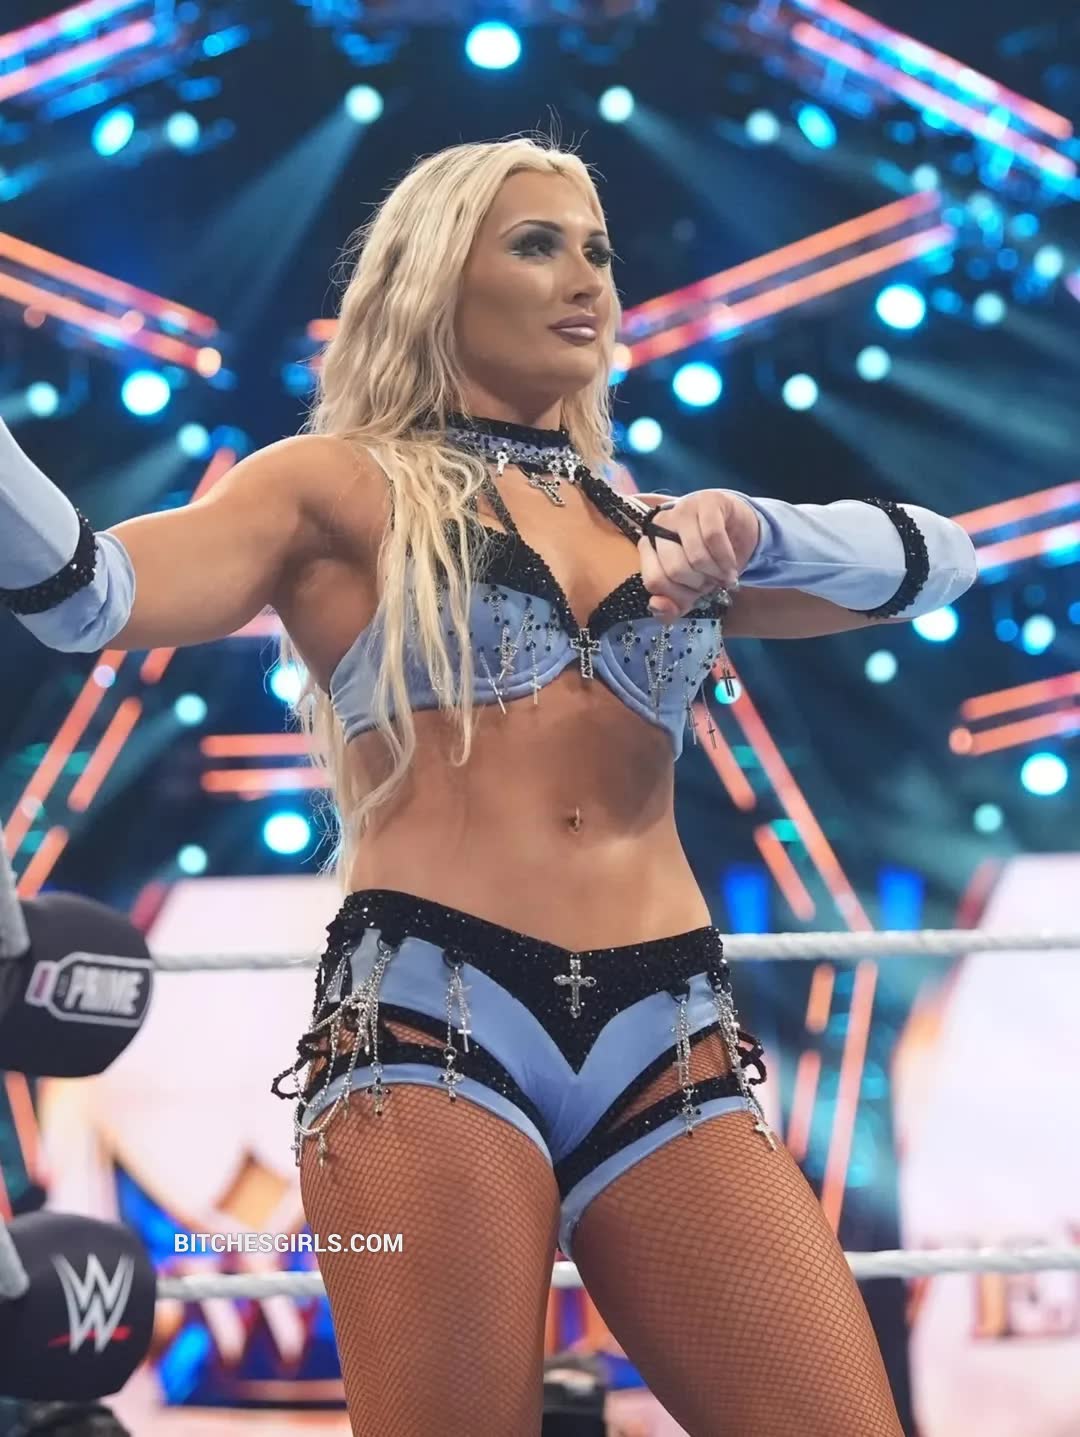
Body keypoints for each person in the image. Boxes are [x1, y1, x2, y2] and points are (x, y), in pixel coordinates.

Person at [0, 134, 977, 1436]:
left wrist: (761, 527)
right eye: (537, 244)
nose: (587, 277)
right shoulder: (333, 486)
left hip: (670, 1039)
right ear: (434, 277)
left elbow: (942, 563)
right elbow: (88, 597)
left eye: (599, 251)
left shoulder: (657, 525)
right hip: (429, 1034)